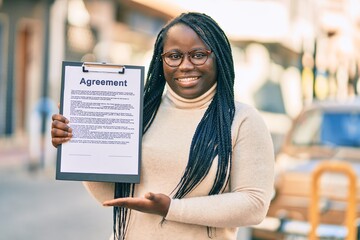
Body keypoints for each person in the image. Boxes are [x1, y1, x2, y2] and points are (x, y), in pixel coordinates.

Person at [51, 12, 274, 240]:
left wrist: (170, 208)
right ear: (161, 60)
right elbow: (112, 196)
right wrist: (77, 144)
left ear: (219, 57)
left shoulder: (242, 120)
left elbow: (254, 205)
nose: (185, 65)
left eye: (198, 55)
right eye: (174, 56)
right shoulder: (138, 113)